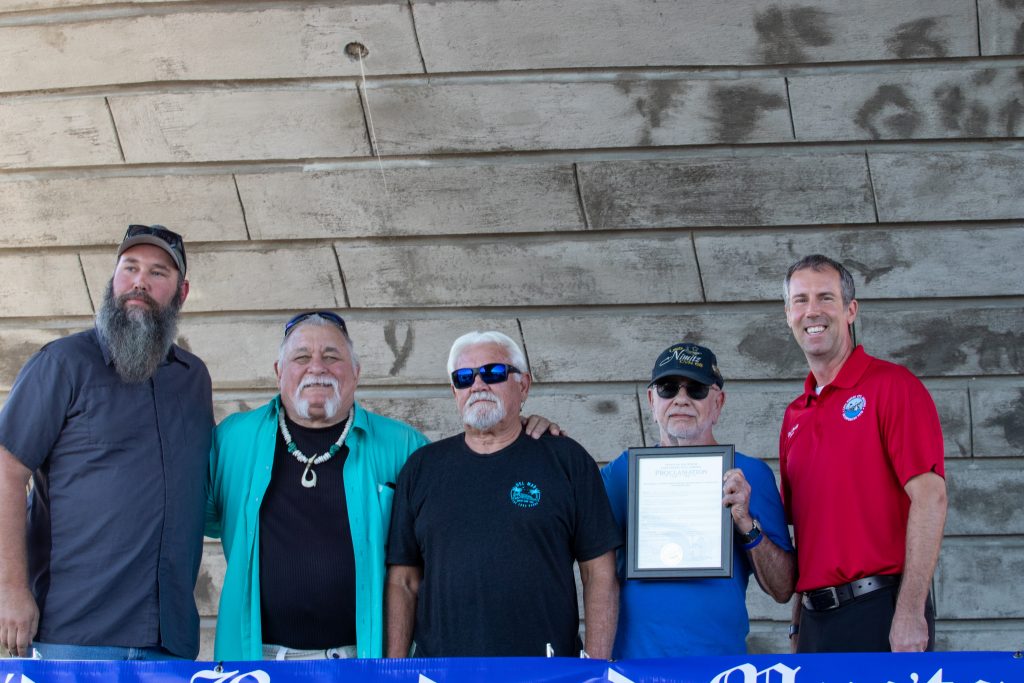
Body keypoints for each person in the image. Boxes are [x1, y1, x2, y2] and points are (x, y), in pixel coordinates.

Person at [206, 315, 562, 660]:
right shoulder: (231, 440)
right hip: (254, 663)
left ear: (356, 373)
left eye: (332, 357)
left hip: (362, 664)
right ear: (279, 372)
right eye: (301, 357)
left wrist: (514, 428)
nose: (317, 367)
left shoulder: (405, 448)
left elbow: (467, 506)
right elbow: (182, 518)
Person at [0, 225, 212, 660]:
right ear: (113, 279)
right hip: (74, 636)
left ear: (181, 292)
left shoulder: (193, 379)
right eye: (129, 268)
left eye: (158, 272)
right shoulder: (62, 363)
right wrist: (11, 591)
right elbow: (6, 471)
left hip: (168, 641)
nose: (139, 281)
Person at [385, 331, 621, 659]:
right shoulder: (422, 468)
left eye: (493, 373)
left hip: (545, 671)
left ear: (523, 385)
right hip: (442, 672)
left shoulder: (567, 460)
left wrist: (596, 670)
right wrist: (394, 673)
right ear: (454, 391)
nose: (478, 385)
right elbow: (403, 582)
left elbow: (599, 572)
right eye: (464, 378)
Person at [780, 254, 947, 653]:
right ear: (788, 314)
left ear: (850, 310)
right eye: (800, 300)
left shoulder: (893, 387)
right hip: (817, 621)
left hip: (881, 610)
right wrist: (797, 624)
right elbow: (810, 531)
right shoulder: (794, 416)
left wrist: (909, 612)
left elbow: (932, 497)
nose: (812, 311)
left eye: (825, 298)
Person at [601, 342, 795, 657]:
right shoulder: (619, 474)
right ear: (652, 401)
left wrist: (746, 523)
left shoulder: (751, 475)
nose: (681, 399)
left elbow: (783, 588)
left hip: (720, 668)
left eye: (696, 389)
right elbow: (585, 560)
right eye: (667, 388)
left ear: (718, 402)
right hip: (636, 668)